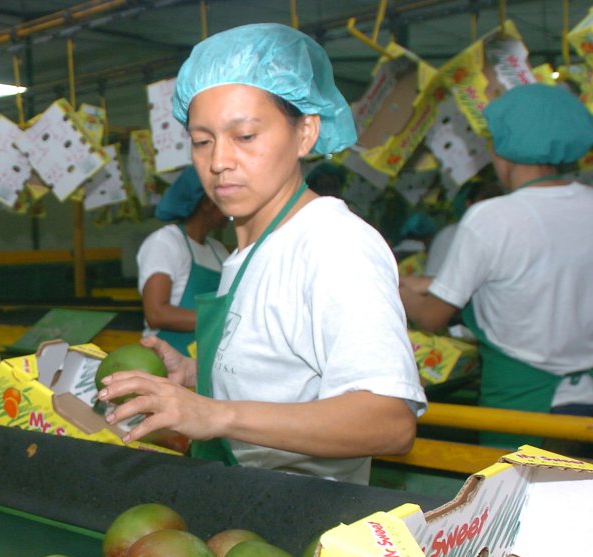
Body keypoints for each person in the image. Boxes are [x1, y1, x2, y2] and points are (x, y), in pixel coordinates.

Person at [98, 23, 425, 484]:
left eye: (245, 135)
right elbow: (285, 378)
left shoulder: (333, 244)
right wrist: (194, 376)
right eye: (201, 140)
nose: (218, 162)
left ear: (306, 132)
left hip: (306, 522)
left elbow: (388, 421)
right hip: (243, 504)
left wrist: (217, 415)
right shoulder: (252, 247)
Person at [400, 83, 593, 449]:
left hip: (522, 408)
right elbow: (537, 275)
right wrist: (427, 282)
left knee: (513, 504)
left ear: (500, 150)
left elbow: (432, 317)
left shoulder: (492, 217)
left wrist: (394, 287)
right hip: (587, 409)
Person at [136, 167, 230, 357]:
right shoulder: (166, 242)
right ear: (206, 202)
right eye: (225, 194)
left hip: (203, 361)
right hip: (164, 361)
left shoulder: (219, 251)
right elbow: (156, 313)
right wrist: (222, 320)